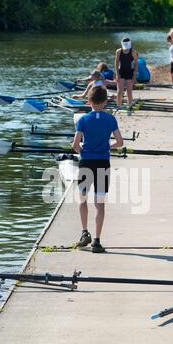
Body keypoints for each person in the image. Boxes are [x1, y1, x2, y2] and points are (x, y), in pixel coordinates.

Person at [72, 86, 123, 253]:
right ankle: (97, 241)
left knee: (82, 199)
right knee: (100, 205)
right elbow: (120, 142)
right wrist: (108, 147)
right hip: (103, 162)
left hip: (86, 162)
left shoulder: (83, 120)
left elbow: (75, 145)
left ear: (89, 101)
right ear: (106, 101)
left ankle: (84, 232)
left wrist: (85, 152)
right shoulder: (110, 119)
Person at [115, 37, 139, 107]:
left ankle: (129, 105)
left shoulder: (133, 52)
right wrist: (117, 73)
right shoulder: (118, 51)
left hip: (129, 72)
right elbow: (116, 63)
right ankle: (118, 106)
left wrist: (134, 75)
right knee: (120, 91)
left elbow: (136, 64)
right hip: (121, 71)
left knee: (129, 91)